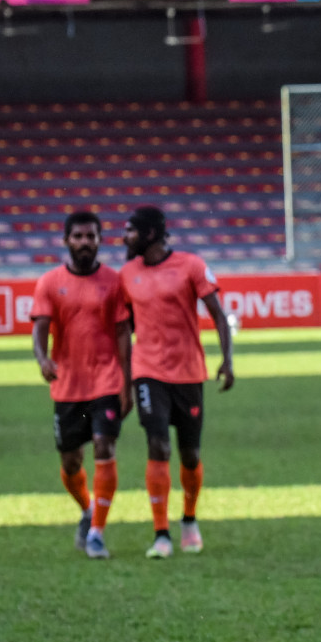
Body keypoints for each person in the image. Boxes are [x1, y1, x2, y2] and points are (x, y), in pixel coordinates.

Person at [118, 206, 234, 558]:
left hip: (188, 373)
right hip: (148, 371)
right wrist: (123, 380)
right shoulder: (127, 274)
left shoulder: (191, 266)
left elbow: (217, 314)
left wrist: (227, 360)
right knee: (158, 447)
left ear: (151, 234)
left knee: (189, 454)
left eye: (131, 231)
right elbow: (124, 328)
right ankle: (161, 534)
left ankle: (189, 519)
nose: (125, 238)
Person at [30, 211, 133, 560]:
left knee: (105, 447)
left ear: (100, 239)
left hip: (106, 379)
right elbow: (40, 326)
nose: (85, 242)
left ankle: (97, 533)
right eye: (78, 236)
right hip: (67, 384)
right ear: (66, 241)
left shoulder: (114, 282)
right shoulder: (49, 282)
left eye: (91, 236)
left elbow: (122, 332)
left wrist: (126, 382)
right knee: (71, 461)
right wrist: (42, 358)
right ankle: (88, 510)